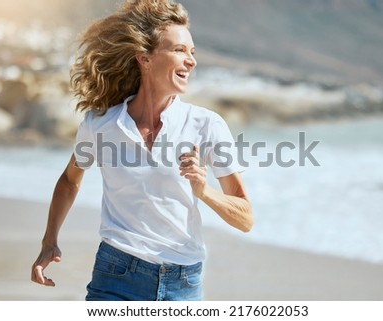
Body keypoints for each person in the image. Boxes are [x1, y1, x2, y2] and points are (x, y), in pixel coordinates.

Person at [31, 0, 253, 301]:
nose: (191, 61)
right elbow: (71, 180)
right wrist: (49, 241)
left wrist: (204, 191)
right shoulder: (101, 124)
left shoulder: (206, 125)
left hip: (182, 282)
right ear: (145, 59)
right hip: (116, 273)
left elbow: (245, 218)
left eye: (192, 52)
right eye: (179, 50)